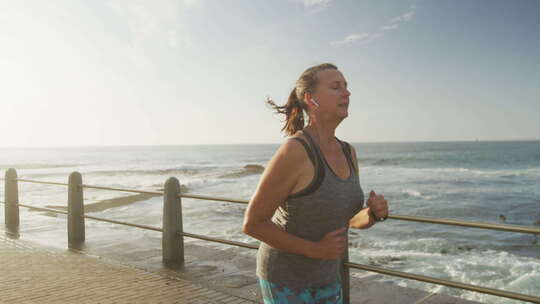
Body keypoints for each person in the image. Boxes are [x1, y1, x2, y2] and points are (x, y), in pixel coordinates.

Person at [242, 63, 389, 304]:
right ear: (311, 99)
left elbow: (349, 219)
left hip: (328, 277)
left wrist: (373, 214)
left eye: (346, 87)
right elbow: (253, 224)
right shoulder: (295, 151)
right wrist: (316, 250)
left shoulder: (348, 152)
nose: (347, 93)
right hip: (285, 280)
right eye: (335, 87)